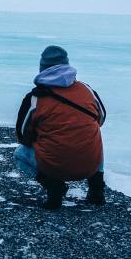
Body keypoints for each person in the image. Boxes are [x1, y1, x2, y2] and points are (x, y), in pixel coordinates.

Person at [14, 45, 107, 210]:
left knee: (20, 154)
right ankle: (96, 191)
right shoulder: (86, 90)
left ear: (42, 68)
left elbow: (22, 135)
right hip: (90, 164)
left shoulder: (36, 98)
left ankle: (54, 187)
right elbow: (101, 118)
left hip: (55, 166)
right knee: (90, 136)